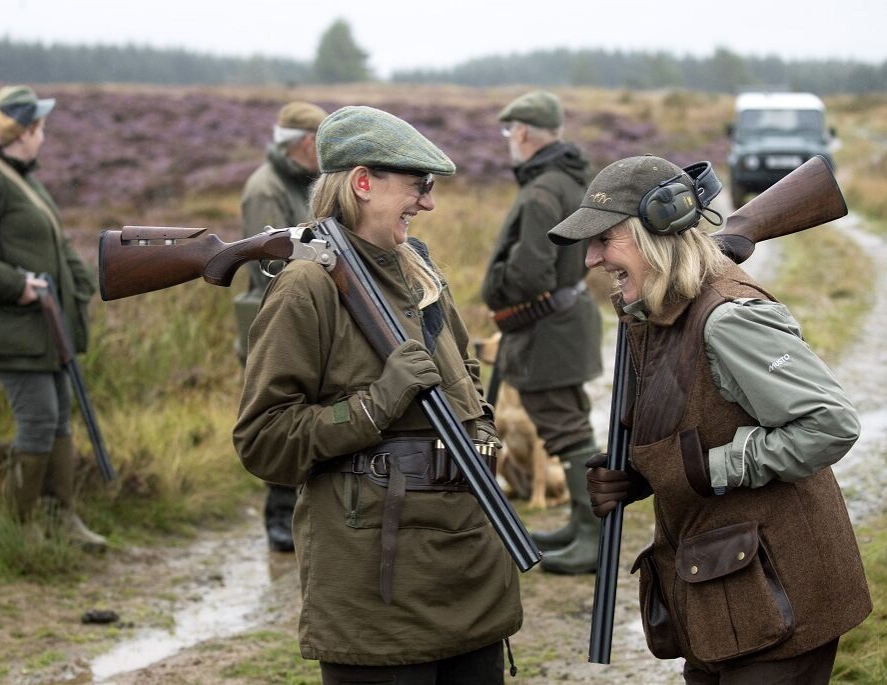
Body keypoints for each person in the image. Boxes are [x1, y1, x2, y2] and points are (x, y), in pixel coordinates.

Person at [547, 154, 871, 683]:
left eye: (605, 240)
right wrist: (641, 474)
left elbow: (829, 423)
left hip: (780, 591)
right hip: (723, 592)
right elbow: (692, 417)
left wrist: (710, 467)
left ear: (658, 234)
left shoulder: (728, 317)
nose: (591, 259)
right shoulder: (656, 309)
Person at [234, 106, 522, 683]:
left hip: (467, 561)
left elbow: (463, 372)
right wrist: (375, 403)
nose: (429, 202)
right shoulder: (305, 287)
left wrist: (483, 434)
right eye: (419, 186)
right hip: (377, 584)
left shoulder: (419, 269)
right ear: (364, 183)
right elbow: (264, 441)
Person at [0, 86, 106, 550]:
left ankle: (61, 520)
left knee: (57, 421)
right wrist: (17, 285)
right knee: (36, 421)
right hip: (12, 328)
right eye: (39, 128)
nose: (44, 137)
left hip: (43, 330)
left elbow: (53, 243)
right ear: (22, 132)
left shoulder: (24, 178)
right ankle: (20, 529)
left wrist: (80, 286)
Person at [480, 90, 603, 574]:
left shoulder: (541, 190)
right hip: (565, 319)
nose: (510, 140)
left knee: (564, 425)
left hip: (547, 328)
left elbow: (531, 272)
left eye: (510, 131)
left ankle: (591, 536)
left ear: (525, 131)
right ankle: (581, 524)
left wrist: (495, 285)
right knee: (570, 420)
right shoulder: (568, 181)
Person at [236, 100, 328, 553]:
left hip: (302, 319)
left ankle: (299, 514)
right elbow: (266, 266)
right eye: (324, 143)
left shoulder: (300, 183)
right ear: (308, 143)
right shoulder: (265, 189)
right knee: (279, 420)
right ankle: (277, 517)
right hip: (276, 323)